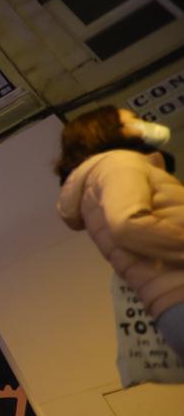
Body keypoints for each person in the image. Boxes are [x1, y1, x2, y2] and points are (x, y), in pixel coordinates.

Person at [56, 105, 184, 357]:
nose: (142, 123)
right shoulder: (118, 163)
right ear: (105, 130)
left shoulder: (101, 175)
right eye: (133, 120)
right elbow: (128, 224)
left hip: (168, 301)